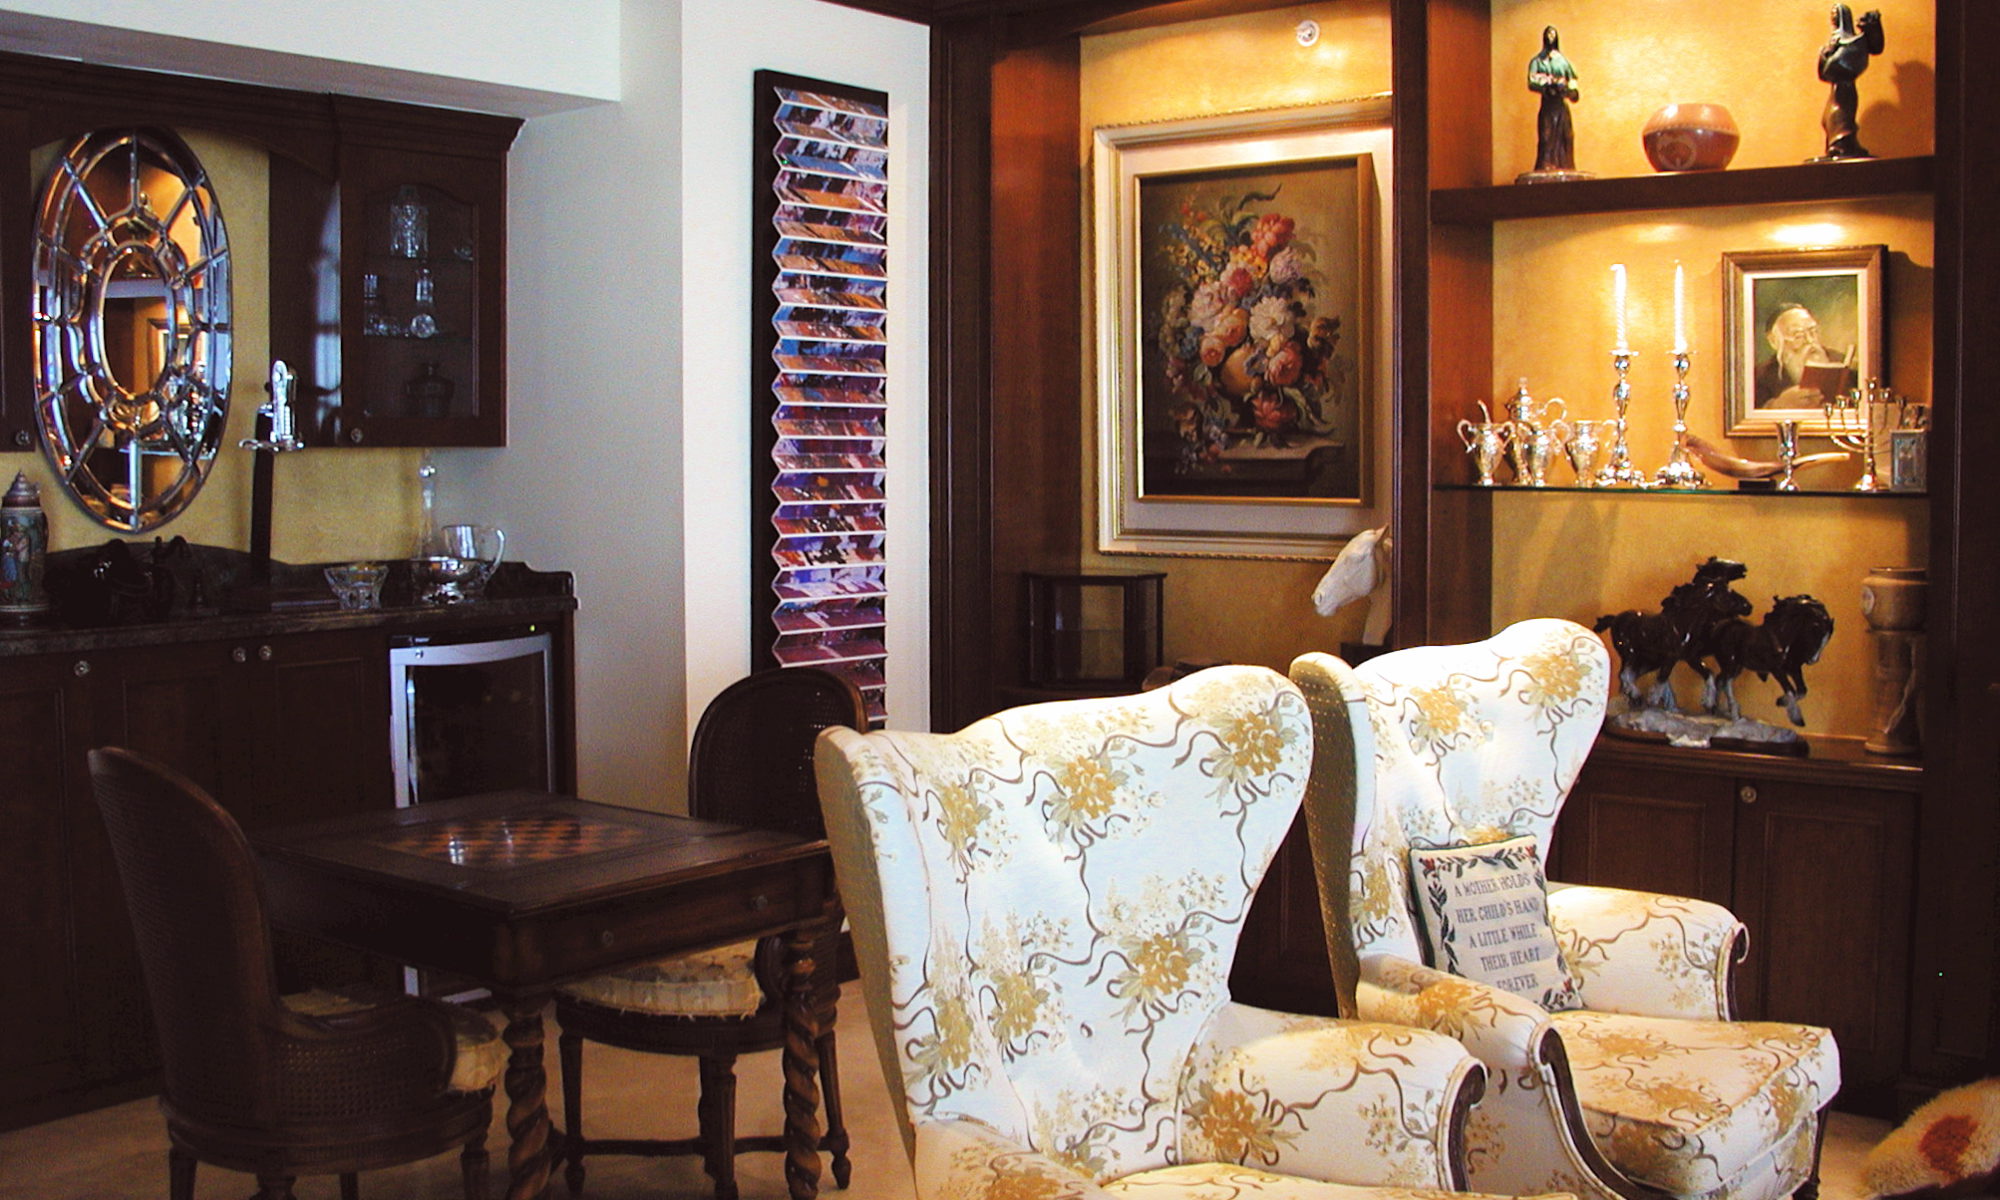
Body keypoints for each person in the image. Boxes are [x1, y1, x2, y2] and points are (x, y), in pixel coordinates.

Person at [1817, 4, 1884, 159]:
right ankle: (1837, 146)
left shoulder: (1853, 42)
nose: (1833, 18)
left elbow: (1840, 63)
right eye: (1832, 15)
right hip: (1836, 89)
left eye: (1836, 15)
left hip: (1845, 88)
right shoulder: (1832, 43)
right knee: (1828, 117)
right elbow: (1823, 72)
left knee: (1841, 115)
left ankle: (1842, 145)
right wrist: (1826, 53)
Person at [1755, 303, 1848, 406]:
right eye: (1798, 335)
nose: (1810, 340)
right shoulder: (1760, 378)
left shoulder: (1843, 363)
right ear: (1774, 341)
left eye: (1813, 332)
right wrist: (1778, 405)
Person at [1527, 25, 1581, 173]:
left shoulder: (1563, 61)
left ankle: (1566, 166)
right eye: (1548, 35)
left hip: (1561, 106)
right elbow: (1532, 81)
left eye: (1553, 35)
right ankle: (1545, 166)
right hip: (1548, 106)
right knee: (1546, 138)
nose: (1550, 37)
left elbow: (1573, 83)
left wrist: (1569, 91)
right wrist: (1546, 86)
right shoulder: (1537, 61)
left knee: (1566, 138)